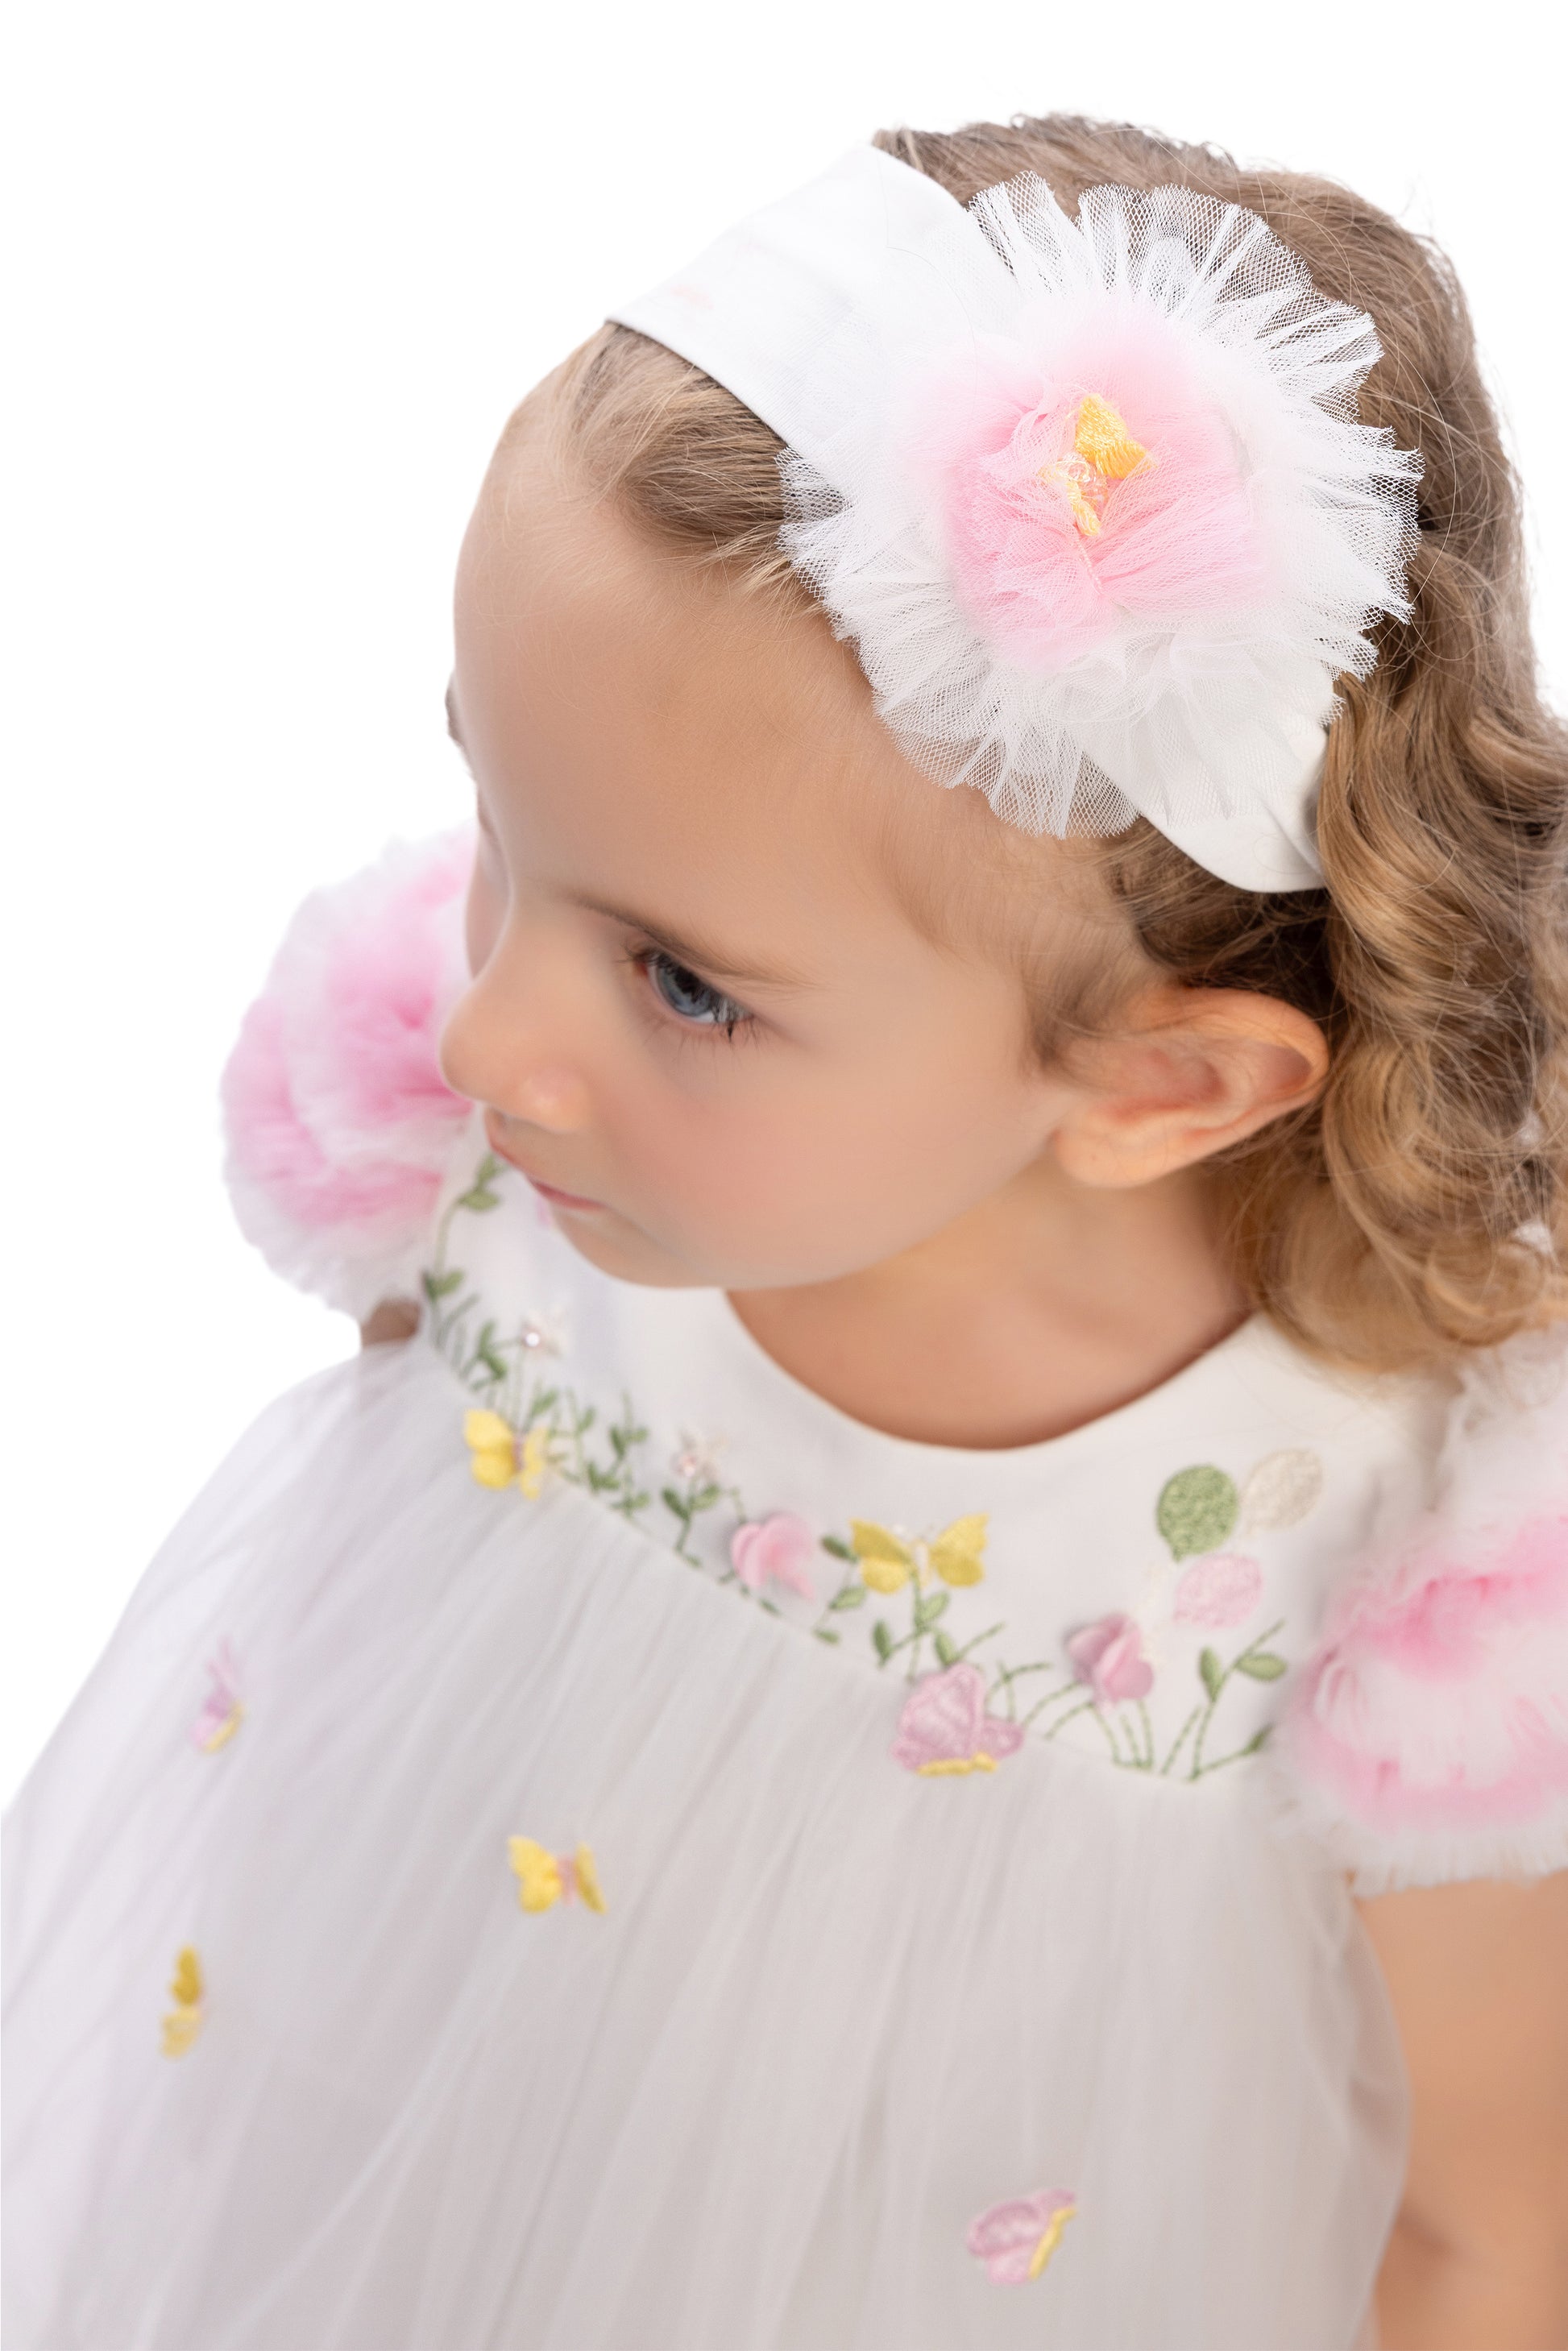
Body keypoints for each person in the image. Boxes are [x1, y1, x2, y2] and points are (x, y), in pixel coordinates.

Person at [6, 110, 1568, 2351]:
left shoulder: (1403, 1575)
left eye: (680, 984)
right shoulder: (520, 1189)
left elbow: (1487, 2233)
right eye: (496, 823)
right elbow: (358, 1780)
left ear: (1161, 1085)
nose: (478, 1036)